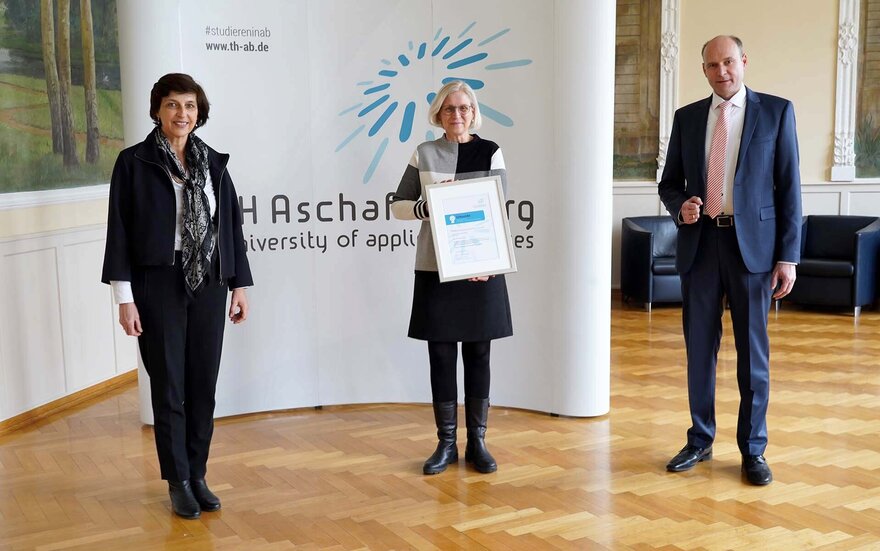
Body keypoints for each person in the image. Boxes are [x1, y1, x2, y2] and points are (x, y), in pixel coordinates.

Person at [101, 73, 253, 518]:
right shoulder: (133, 163)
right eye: (172, 105)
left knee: (202, 383)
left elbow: (232, 228)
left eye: (189, 106)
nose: (181, 114)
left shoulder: (214, 164)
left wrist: (239, 284)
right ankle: (178, 480)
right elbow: (120, 232)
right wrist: (124, 298)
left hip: (209, 281)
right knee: (168, 386)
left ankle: (199, 473)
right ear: (157, 111)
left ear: (198, 112)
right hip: (157, 283)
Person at [658, 36, 801, 485]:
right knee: (699, 351)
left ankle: (753, 449)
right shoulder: (686, 118)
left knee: (753, 356)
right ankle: (700, 440)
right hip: (700, 247)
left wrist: (787, 257)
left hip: (752, 252)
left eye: (729, 62)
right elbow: (669, 184)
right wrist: (681, 206)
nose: (722, 71)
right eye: (712, 65)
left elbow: (790, 188)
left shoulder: (776, 112)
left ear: (743, 62)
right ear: (703, 70)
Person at [391, 81, 512, 475]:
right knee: (440, 354)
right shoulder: (424, 153)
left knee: (479, 353)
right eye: (448, 109)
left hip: (482, 267)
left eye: (463, 108)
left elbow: (498, 210)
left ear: (473, 112)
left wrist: (486, 260)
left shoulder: (490, 152)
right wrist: (426, 206)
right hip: (435, 268)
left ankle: (477, 442)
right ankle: (446, 444)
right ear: (438, 115)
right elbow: (398, 206)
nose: (456, 115)